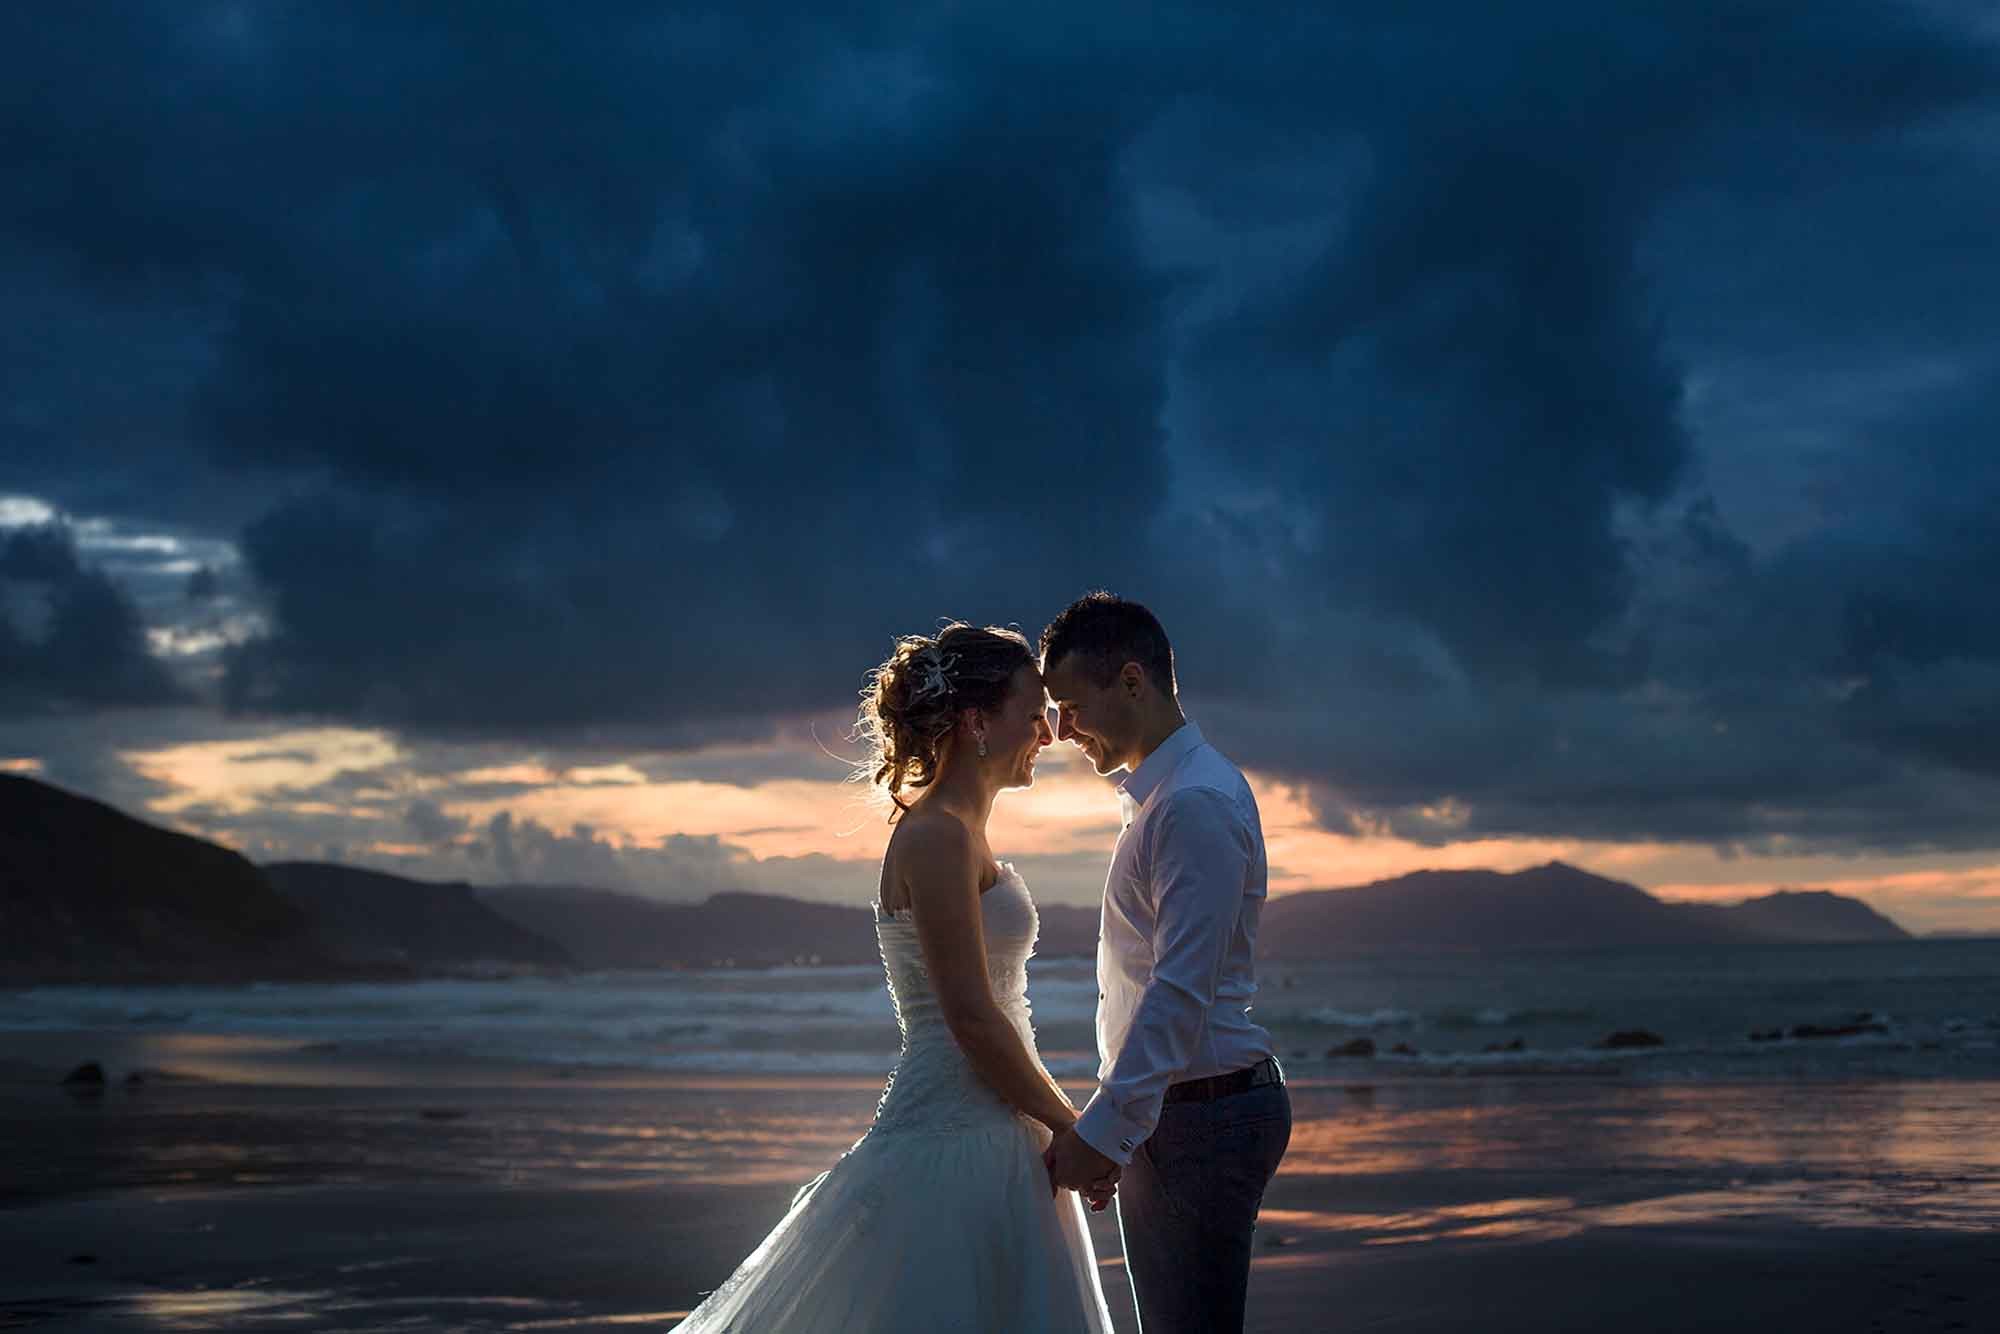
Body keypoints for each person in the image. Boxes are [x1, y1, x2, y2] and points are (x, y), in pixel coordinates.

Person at [670, 622, 1114, 1333]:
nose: (1049, 733)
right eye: (1033, 715)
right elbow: (970, 1018)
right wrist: (1077, 1126)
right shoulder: (937, 836)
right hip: (956, 1134)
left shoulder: (961, 832)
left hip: (998, 1126)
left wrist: (1055, 1124)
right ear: (976, 721)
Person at [1040, 591, 1292, 1334]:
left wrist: (1105, 1130)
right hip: (1184, 1112)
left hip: (1203, 1114)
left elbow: (1180, 991)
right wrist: (1125, 1126)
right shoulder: (1165, 799)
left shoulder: (1191, 805)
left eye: (1068, 705)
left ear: (1129, 681)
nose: (1059, 730)